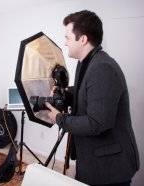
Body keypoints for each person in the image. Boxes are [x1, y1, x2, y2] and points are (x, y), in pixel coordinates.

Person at [45, 10, 139, 186]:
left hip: (110, 168)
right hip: (92, 160)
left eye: (67, 37)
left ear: (82, 39)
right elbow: (89, 91)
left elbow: (97, 124)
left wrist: (59, 118)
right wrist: (65, 92)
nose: (65, 43)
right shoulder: (86, 62)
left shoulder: (102, 67)